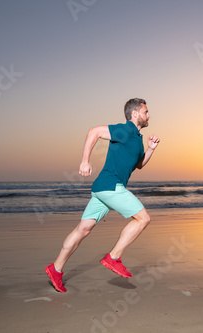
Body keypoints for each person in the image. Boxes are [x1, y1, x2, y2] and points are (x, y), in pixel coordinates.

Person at [45, 98, 160, 292]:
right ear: (135, 114)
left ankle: (55, 269)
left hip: (102, 189)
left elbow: (139, 164)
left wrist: (150, 149)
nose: (149, 115)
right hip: (110, 186)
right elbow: (94, 131)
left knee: (83, 229)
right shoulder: (125, 130)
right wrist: (84, 161)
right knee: (143, 219)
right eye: (146, 111)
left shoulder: (137, 139)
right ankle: (113, 257)